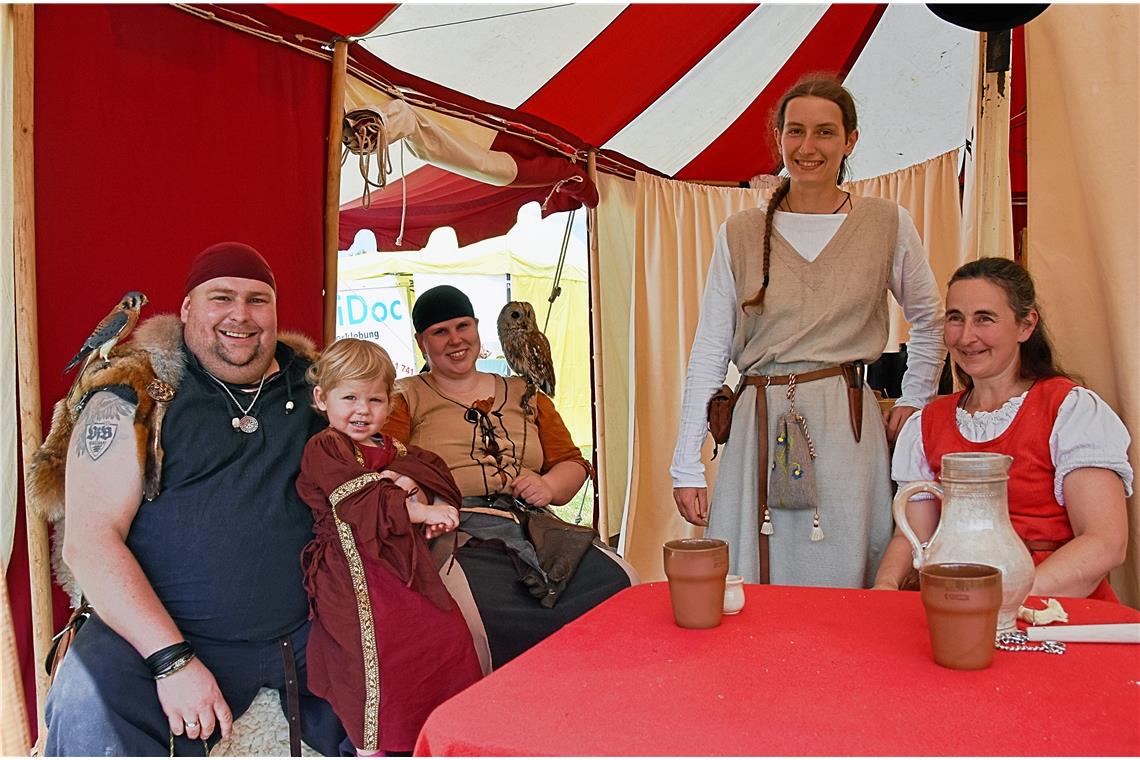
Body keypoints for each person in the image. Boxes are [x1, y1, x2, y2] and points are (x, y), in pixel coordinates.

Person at [44, 243, 346, 755]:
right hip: (162, 633)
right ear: (186, 310)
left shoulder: (320, 386)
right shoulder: (133, 391)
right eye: (221, 298)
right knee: (86, 703)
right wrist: (171, 661)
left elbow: (381, 453)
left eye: (257, 300)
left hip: (305, 635)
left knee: (423, 670)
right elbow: (90, 542)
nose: (241, 315)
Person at [671, 77, 945, 587]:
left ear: (850, 141)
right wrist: (686, 464)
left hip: (845, 421)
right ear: (778, 137)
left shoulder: (886, 222)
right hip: (759, 414)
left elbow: (931, 317)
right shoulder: (741, 233)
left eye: (824, 132)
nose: (808, 146)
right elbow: (711, 346)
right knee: (753, 577)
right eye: (795, 131)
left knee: (842, 562)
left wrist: (917, 398)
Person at [382, 285, 638, 672]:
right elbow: (382, 468)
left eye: (463, 326)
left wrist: (549, 486)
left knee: (622, 583)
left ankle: (604, 692)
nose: (455, 340)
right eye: (440, 331)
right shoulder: (405, 398)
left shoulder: (524, 393)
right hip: (459, 531)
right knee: (479, 619)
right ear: (422, 342)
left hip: (535, 529)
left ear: (477, 328)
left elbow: (571, 462)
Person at [873, 257, 1131, 600]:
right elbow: (912, 535)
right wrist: (885, 587)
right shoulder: (928, 423)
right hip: (957, 599)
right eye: (956, 319)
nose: (967, 337)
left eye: (985, 319)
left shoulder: (1069, 410)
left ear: (1026, 326)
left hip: (1053, 602)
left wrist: (1008, 600)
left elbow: (1105, 542)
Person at [296, 338, 482, 755]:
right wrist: (419, 511)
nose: (363, 410)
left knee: (446, 639)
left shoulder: (390, 448)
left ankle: (436, 729)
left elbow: (430, 471)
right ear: (322, 399)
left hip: (400, 571)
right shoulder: (326, 447)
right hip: (355, 578)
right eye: (349, 398)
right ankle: (371, 747)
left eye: (375, 399)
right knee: (372, 665)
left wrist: (426, 495)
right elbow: (360, 502)